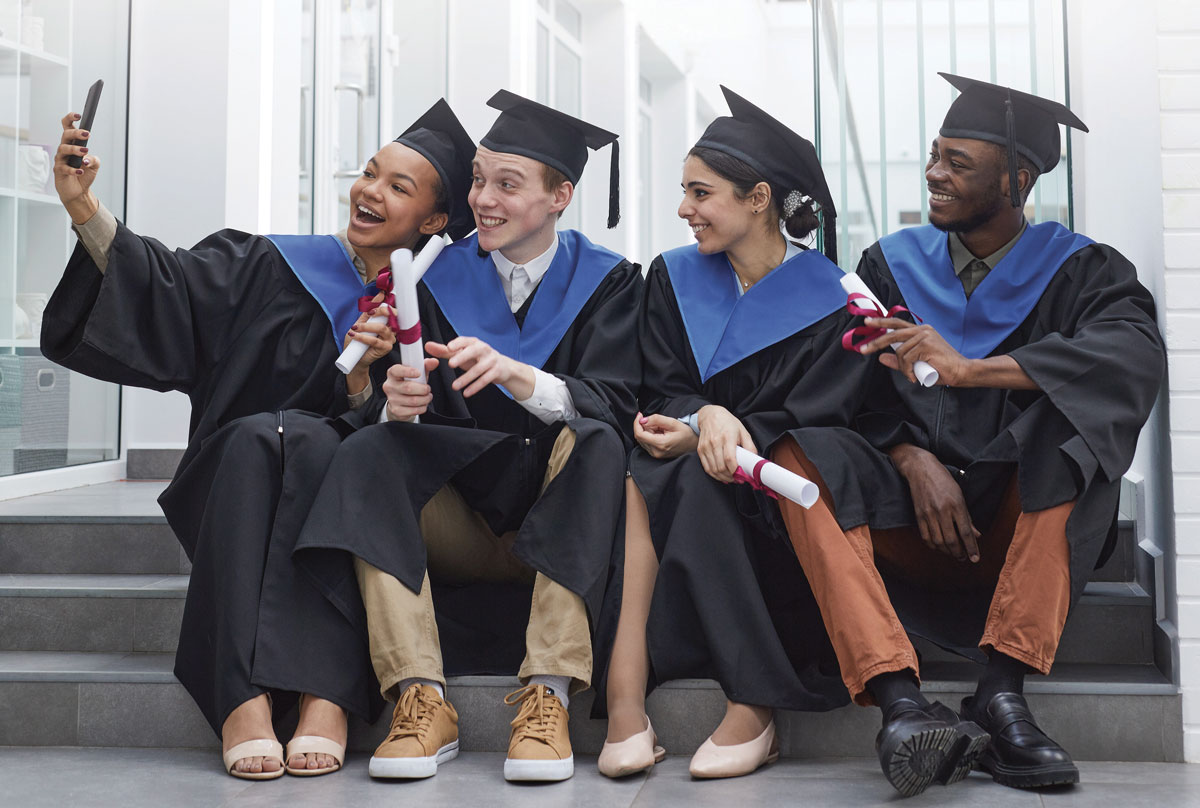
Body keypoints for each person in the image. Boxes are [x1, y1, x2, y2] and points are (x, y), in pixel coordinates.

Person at [42, 99, 476, 780]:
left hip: (338, 490)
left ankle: (320, 696)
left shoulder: (430, 311)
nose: (369, 191)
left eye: (398, 186)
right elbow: (168, 285)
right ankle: (251, 699)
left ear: (433, 220)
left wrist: (364, 379)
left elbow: (418, 444)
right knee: (263, 439)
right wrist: (82, 206)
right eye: (368, 173)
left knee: (314, 446)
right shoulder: (266, 264)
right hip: (234, 484)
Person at [772, 72, 1165, 796]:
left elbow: (1131, 357)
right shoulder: (889, 266)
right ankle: (900, 703)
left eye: (958, 162)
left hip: (1018, 530)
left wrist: (971, 370)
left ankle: (1002, 691)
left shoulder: (1083, 271)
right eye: (934, 155)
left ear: (1018, 178)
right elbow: (843, 393)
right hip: (907, 525)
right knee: (799, 456)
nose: (933, 174)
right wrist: (910, 454)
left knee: (1071, 432)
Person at [292, 90, 642, 783]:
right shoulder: (431, 280)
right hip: (461, 528)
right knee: (371, 447)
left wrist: (522, 377)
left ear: (560, 195)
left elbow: (622, 403)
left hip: (565, 527)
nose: (483, 199)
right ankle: (419, 697)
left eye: (506, 185)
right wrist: (392, 401)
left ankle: (547, 693)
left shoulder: (611, 283)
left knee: (597, 440)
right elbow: (397, 419)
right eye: (479, 179)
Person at [595, 86, 868, 781]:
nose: (684, 209)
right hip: (684, 483)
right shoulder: (672, 277)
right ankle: (632, 697)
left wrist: (731, 432)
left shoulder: (832, 299)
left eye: (700, 192)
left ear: (758, 198)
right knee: (653, 467)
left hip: (776, 506)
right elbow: (656, 383)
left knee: (686, 473)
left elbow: (826, 415)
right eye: (684, 192)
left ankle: (742, 701)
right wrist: (700, 420)